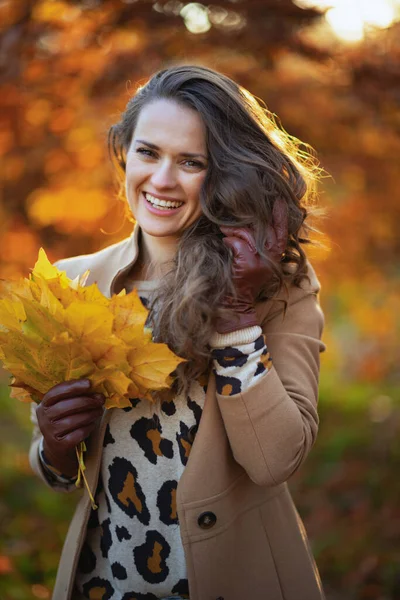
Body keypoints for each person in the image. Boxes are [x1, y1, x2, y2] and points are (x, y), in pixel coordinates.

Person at [29, 64, 326, 600]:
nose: (162, 180)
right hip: (107, 582)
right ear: (124, 151)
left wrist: (236, 314)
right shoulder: (73, 282)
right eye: (148, 152)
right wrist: (53, 445)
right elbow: (58, 476)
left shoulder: (280, 286)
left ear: (226, 173)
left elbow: (276, 460)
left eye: (191, 162)